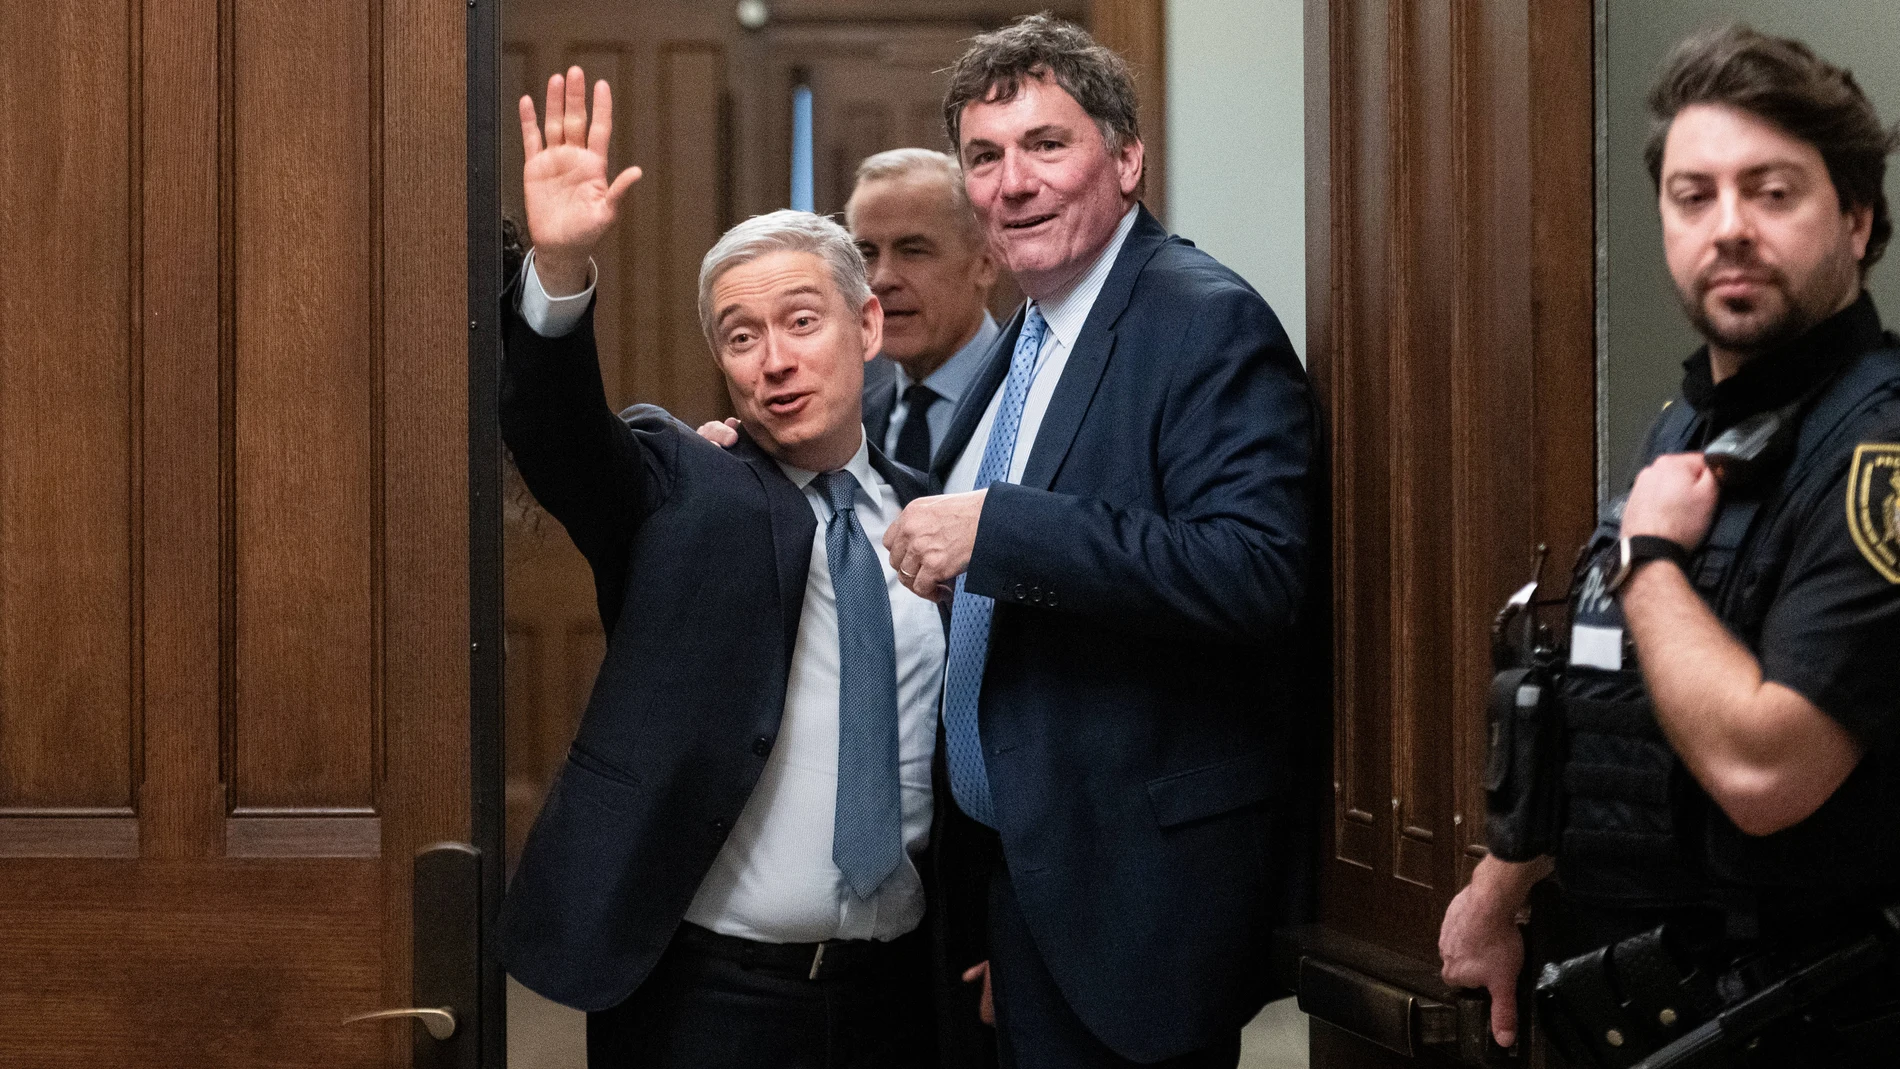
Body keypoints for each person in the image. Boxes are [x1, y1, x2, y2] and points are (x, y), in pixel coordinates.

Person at [1439, 25, 1900, 1066]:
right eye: (1694, 196)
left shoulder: (1877, 455)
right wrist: (1503, 882)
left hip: (1815, 1017)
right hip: (1653, 1000)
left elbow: (1761, 766)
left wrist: (1649, 559)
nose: (1727, 227)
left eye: (1770, 192)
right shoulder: (1687, 426)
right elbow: (1616, 702)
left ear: (1858, 219)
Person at [879, 15, 1325, 1069]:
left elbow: (1255, 570)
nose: (1013, 182)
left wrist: (1003, 530)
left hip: (1136, 900)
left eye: (1047, 145)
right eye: (984, 157)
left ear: (1125, 159)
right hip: (1026, 886)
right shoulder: (1025, 334)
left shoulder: (1201, 320)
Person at [498, 67, 954, 1069]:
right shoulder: (682, 482)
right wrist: (561, 270)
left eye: (801, 321)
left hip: (899, 998)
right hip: (709, 1004)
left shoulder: (935, 517)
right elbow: (561, 438)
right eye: (740, 338)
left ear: (866, 326)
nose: (772, 361)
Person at [848, 148, 1001, 472]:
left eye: (913, 251)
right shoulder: (849, 425)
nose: (882, 279)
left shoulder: (1041, 398)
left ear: (986, 264)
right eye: (867, 253)